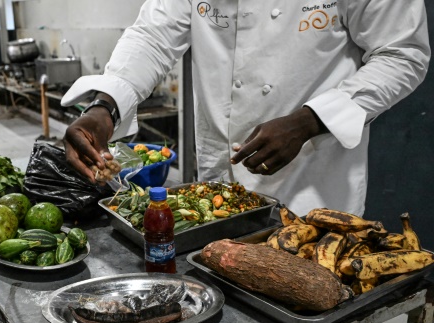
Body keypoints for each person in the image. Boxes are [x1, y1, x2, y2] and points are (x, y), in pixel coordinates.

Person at [61, 0, 430, 217]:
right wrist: (106, 104)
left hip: (312, 182)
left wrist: (311, 119)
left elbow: (403, 53)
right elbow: (153, 36)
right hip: (220, 181)